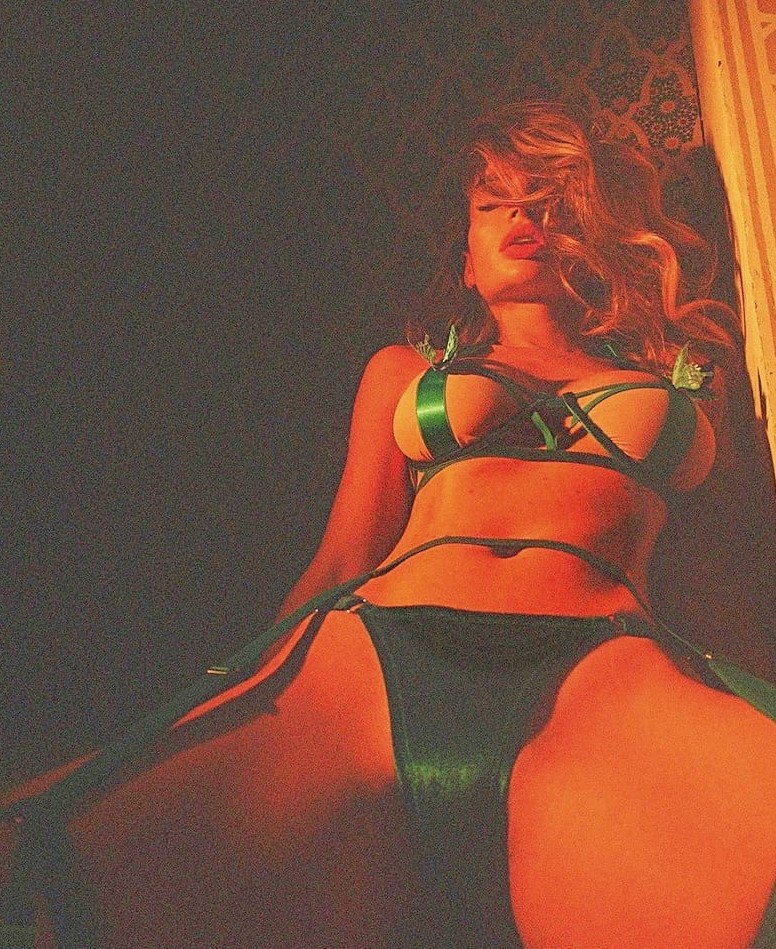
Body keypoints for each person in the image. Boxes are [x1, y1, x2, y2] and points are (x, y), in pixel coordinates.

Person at [2, 100, 776, 948]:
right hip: (374, 659)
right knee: (37, 852)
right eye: (494, 204)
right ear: (467, 261)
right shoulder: (405, 370)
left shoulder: (678, 379)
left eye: (547, 201)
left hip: (601, 672)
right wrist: (243, 680)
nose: (521, 217)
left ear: (588, 234)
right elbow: (344, 556)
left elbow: (715, 576)